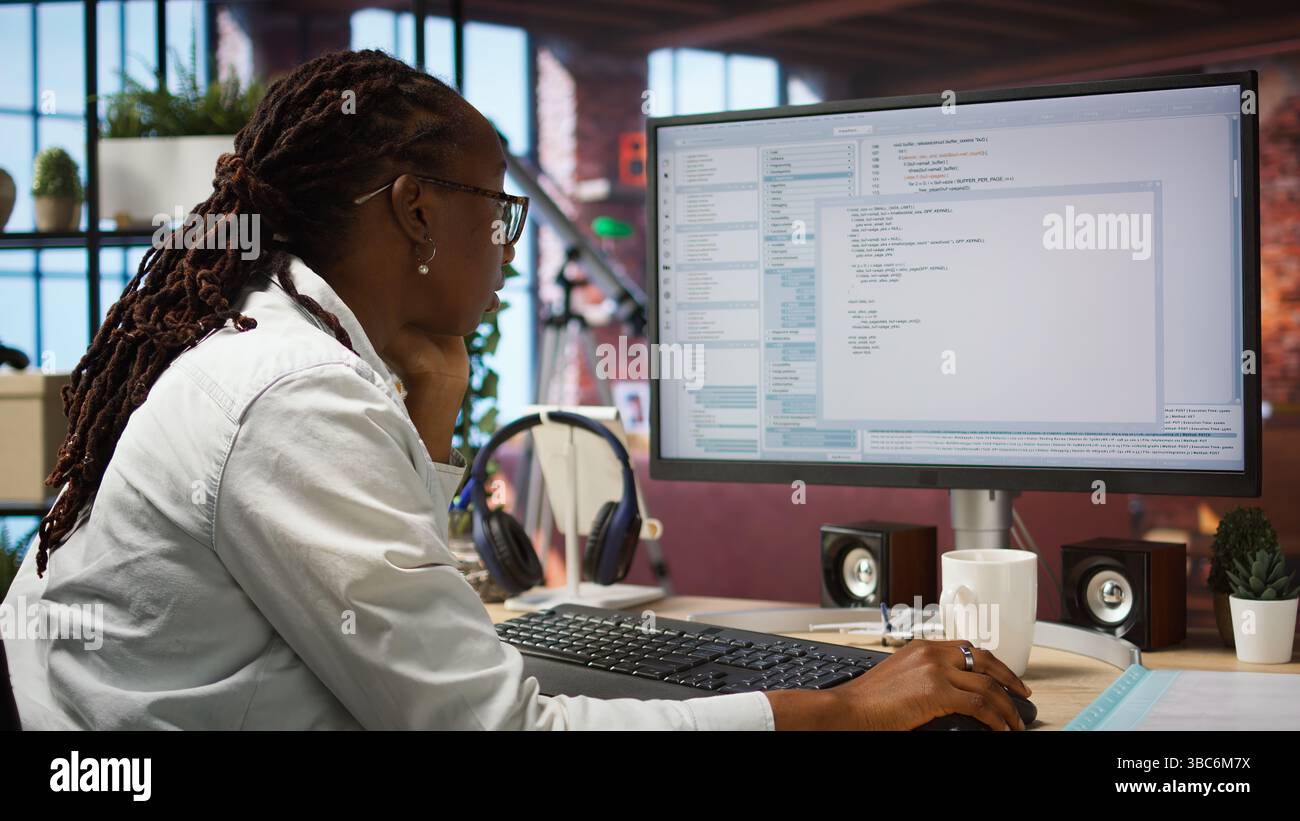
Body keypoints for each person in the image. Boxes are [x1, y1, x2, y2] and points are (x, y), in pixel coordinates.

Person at [1, 49, 1030, 730]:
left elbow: (408, 632)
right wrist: (843, 707)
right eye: (494, 214)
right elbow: (503, 730)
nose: (504, 250)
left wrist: (429, 405)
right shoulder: (292, 394)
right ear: (413, 213)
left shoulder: (271, 340)